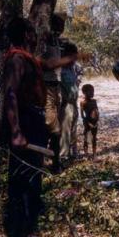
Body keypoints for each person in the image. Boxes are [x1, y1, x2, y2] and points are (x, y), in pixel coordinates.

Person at [2, 17, 47, 237]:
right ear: (27, 35)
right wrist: (16, 131)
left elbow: (45, 66)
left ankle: (30, 226)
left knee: (33, 173)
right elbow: (10, 94)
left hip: (34, 120)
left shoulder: (28, 59)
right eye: (32, 32)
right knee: (23, 174)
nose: (35, 35)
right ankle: (19, 230)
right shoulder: (17, 59)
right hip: (25, 122)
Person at [40, 13, 77, 173]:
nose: (60, 28)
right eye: (58, 24)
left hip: (56, 88)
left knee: (59, 127)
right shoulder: (45, 41)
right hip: (46, 87)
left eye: (62, 25)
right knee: (51, 127)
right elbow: (44, 64)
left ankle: (56, 162)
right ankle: (51, 163)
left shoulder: (58, 41)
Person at [59, 41, 79, 162]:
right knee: (64, 132)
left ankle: (73, 154)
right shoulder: (60, 70)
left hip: (73, 103)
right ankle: (63, 157)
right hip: (65, 104)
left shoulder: (72, 69)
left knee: (73, 130)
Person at [80, 84, 99, 155]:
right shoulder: (83, 103)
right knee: (86, 138)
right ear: (84, 92)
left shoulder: (94, 101)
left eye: (93, 91)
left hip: (95, 122)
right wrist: (88, 123)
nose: (92, 93)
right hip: (87, 123)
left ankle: (94, 154)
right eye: (90, 91)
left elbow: (97, 111)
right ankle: (86, 154)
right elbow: (82, 115)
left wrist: (97, 121)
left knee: (94, 138)